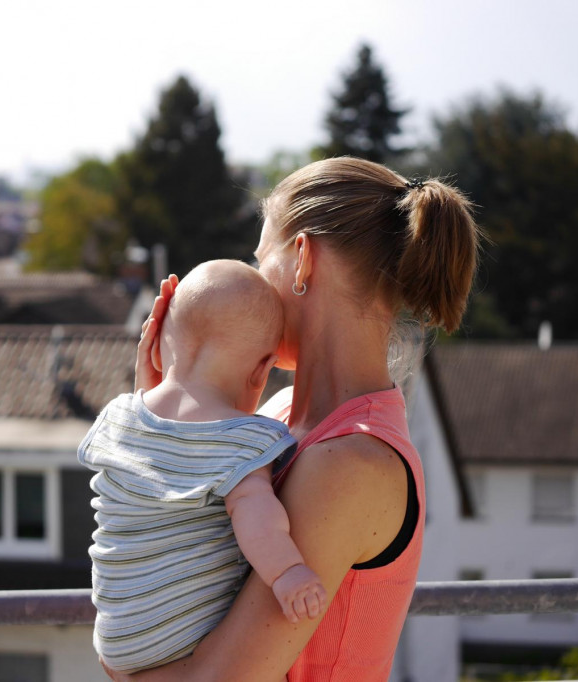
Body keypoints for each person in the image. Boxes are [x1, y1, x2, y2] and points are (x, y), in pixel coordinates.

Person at [105, 157, 481, 682]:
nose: (253, 280)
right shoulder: (278, 415)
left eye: (261, 262)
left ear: (302, 258)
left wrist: (118, 662)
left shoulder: (350, 462)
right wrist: (161, 409)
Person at [78, 259, 328, 674]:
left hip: (115, 638)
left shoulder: (119, 416)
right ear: (262, 370)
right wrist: (288, 572)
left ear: (156, 342)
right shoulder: (241, 439)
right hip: (181, 642)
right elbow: (256, 517)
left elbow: (150, 467)